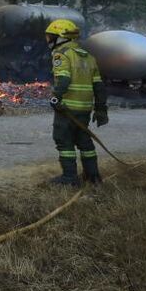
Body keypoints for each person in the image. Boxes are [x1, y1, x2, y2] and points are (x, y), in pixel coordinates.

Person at [45, 19, 107, 186]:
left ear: (61, 37)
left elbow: (63, 79)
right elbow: (99, 87)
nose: (48, 40)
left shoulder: (62, 54)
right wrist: (101, 110)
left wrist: (56, 96)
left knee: (63, 140)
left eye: (51, 37)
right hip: (84, 109)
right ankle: (93, 176)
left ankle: (69, 177)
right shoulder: (89, 57)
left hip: (67, 108)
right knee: (84, 141)